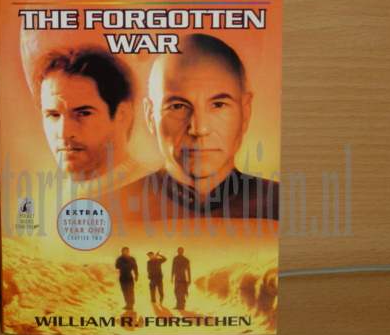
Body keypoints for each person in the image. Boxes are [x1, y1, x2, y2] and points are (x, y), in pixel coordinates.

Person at [113, 33, 279, 221]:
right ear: (150, 115)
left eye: (218, 105)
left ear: (246, 111)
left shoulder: (284, 207)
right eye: (178, 106)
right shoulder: (111, 212)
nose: (199, 129)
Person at [33, 48, 145, 191]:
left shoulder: (156, 194)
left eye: (83, 113)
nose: (64, 133)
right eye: (53, 115)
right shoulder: (44, 197)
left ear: (122, 114)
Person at [115, 247, 138, 311]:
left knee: (130, 291)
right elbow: (117, 266)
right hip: (122, 277)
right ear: (122, 251)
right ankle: (127, 304)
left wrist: (136, 275)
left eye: (126, 251)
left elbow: (135, 267)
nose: (125, 252)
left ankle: (131, 304)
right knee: (125, 291)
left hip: (129, 277)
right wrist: (127, 265)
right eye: (124, 251)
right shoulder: (119, 259)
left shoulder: (132, 258)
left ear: (128, 251)